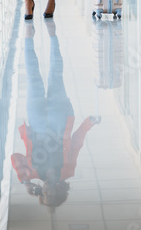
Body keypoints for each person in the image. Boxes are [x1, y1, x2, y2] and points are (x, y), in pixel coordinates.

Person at [11, 20, 101, 208]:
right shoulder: (68, 170)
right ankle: (53, 35)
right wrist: (89, 123)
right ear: (60, 190)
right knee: (56, 74)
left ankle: (29, 37)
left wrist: (25, 182)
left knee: (32, 76)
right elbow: (76, 143)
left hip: (36, 121)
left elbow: (15, 157)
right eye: (51, 193)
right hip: (60, 119)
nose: (46, 189)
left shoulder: (32, 174)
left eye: (44, 192)